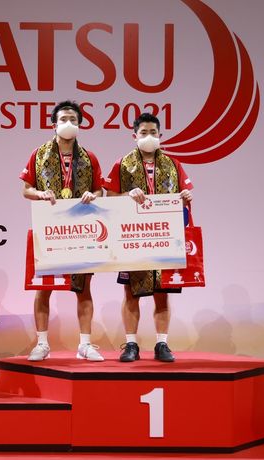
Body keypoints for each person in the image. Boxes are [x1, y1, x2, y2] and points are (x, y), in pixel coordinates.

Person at [104, 113, 193, 363]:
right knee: (131, 294)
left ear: (160, 136)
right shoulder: (122, 164)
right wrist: (126, 195)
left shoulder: (174, 165)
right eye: (144, 133)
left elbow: (184, 199)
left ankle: (161, 344)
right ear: (134, 136)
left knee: (162, 293)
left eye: (154, 133)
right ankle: (131, 344)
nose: (149, 137)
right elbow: (108, 199)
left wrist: (185, 197)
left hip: (164, 238)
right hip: (132, 239)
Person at [20, 100, 105, 362]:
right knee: (44, 288)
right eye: (64, 119)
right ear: (53, 123)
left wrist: (94, 194)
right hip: (50, 232)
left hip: (80, 232)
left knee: (84, 288)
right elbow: (26, 189)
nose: (69, 123)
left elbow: (101, 189)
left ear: (79, 124)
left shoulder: (89, 157)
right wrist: (40, 194)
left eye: (74, 119)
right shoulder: (39, 154)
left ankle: (85, 345)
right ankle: (42, 343)